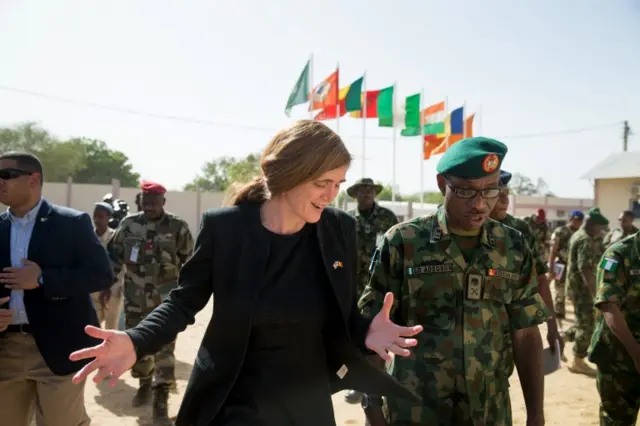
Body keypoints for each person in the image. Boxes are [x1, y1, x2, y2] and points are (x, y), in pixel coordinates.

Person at [69, 120, 423, 426]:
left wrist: (367, 332)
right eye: (322, 183)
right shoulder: (226, 229)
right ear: (290, 174)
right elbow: (183, 301)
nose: (331, 195)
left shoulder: (339, 230)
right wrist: (137, 340)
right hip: (233, 399)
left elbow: (341, 315)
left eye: (338, 184)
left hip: (306, 402)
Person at [359, 137, 551, 426]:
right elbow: (375, 327)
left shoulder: (513, 246)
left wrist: (536, 414)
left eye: (490, 191)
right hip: (415, 410)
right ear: (441, 184)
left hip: (489, 410)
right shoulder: (404, 242)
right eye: (465, 191)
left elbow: (525, 333)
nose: (479, 204)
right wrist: (371, 405)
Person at [0, 152, 113, 426]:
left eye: (7, 175)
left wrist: (42, 280)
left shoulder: (71, 223)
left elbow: (100, 275)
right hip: (6, 351)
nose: (0, 182)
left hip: (59, 347)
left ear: (33, 179)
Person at [106, 180, 194, 422]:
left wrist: (189, 292)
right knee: (138, 347)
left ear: (163, 202)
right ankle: (145, 383)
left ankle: (161, 397)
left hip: (166, 304)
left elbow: (192, 262)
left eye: (154, 203)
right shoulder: (129, 225)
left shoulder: (177, 227)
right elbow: (114, 258)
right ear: (141, 202)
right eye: (146, 203)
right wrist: (107, 284)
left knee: (165, 350)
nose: (150, 207)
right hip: (134, 301)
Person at [490, 170, 563, 355]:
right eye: (499, 194)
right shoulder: (465, 228)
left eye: (507, 194)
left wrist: (552, 327)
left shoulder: (519, 229)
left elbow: (540, 279)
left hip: (508, 332)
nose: (505, 200)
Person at [345, 177, 398, 405]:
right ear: (355, 194)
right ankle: (360, 383)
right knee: (355, 336)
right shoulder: (347, 221)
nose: (366, 194)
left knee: (378, 336)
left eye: (370, 190)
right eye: (362, 190)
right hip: (353, 288)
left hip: (380, 286)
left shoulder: (387, 218)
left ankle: (377, 382)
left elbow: (398, 249)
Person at [588, 230, 640, 424]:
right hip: (619, 357)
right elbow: (609, 306)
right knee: (618, 419)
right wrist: (636, 354)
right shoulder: (617, 255)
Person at [564, 207, 609, 377]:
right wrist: (595, 293)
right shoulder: (585, 240)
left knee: (581, 319)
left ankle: (563, 339)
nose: (600, 231)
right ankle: (578, 360)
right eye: (599, 227)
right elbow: (584, 269)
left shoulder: (577, 235)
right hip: (582, 290)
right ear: (592, 224)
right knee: (587, 323)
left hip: (575, 287)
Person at [91, 202, 125, 330]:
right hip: (93, 291)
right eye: (95, 216)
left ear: (109, 218)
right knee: (93, 326)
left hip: (113, 291)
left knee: (112, 328)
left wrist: (109, 286)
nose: (96, 220)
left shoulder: (116, 237)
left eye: (100, 216)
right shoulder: (89, 237)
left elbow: (121, 265)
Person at [548, 210, 584, 320]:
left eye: (579, 220)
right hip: (561, 265)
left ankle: (579, 314)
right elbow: (553, 251)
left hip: (575, 267)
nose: (576, 222)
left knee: (576, 291)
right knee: (560, 290)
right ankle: (559, 313)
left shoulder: (581, 233)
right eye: (575, 219)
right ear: (570, 219)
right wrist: (551, 267)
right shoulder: (560, 231)